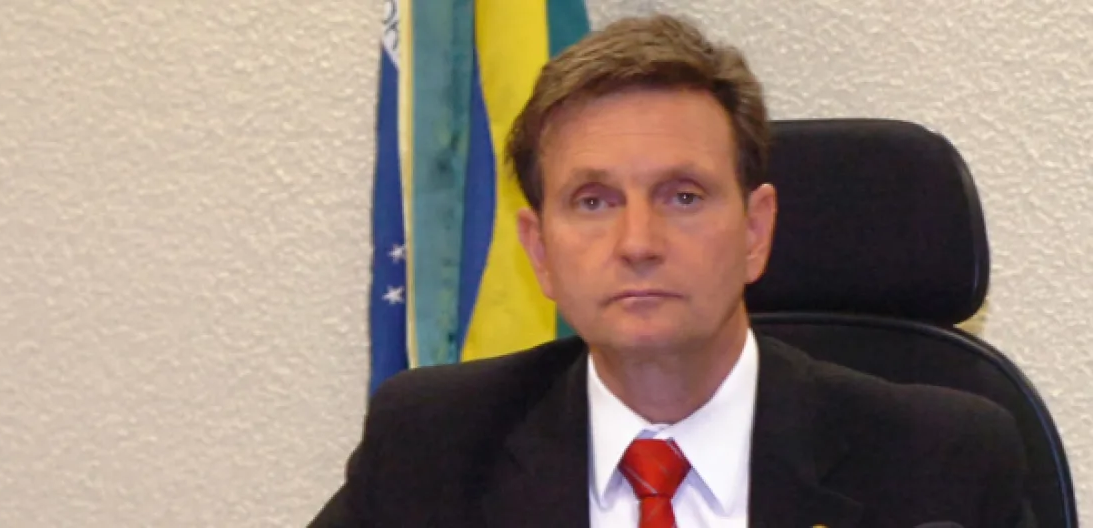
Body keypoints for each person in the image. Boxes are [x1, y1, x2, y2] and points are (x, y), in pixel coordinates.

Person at [310, 13, 1033, 528]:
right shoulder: (431, 447)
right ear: (540, 251)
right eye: (593, 201)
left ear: (755, 231)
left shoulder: (940, 465)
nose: (638, 242)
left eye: (682, 196)